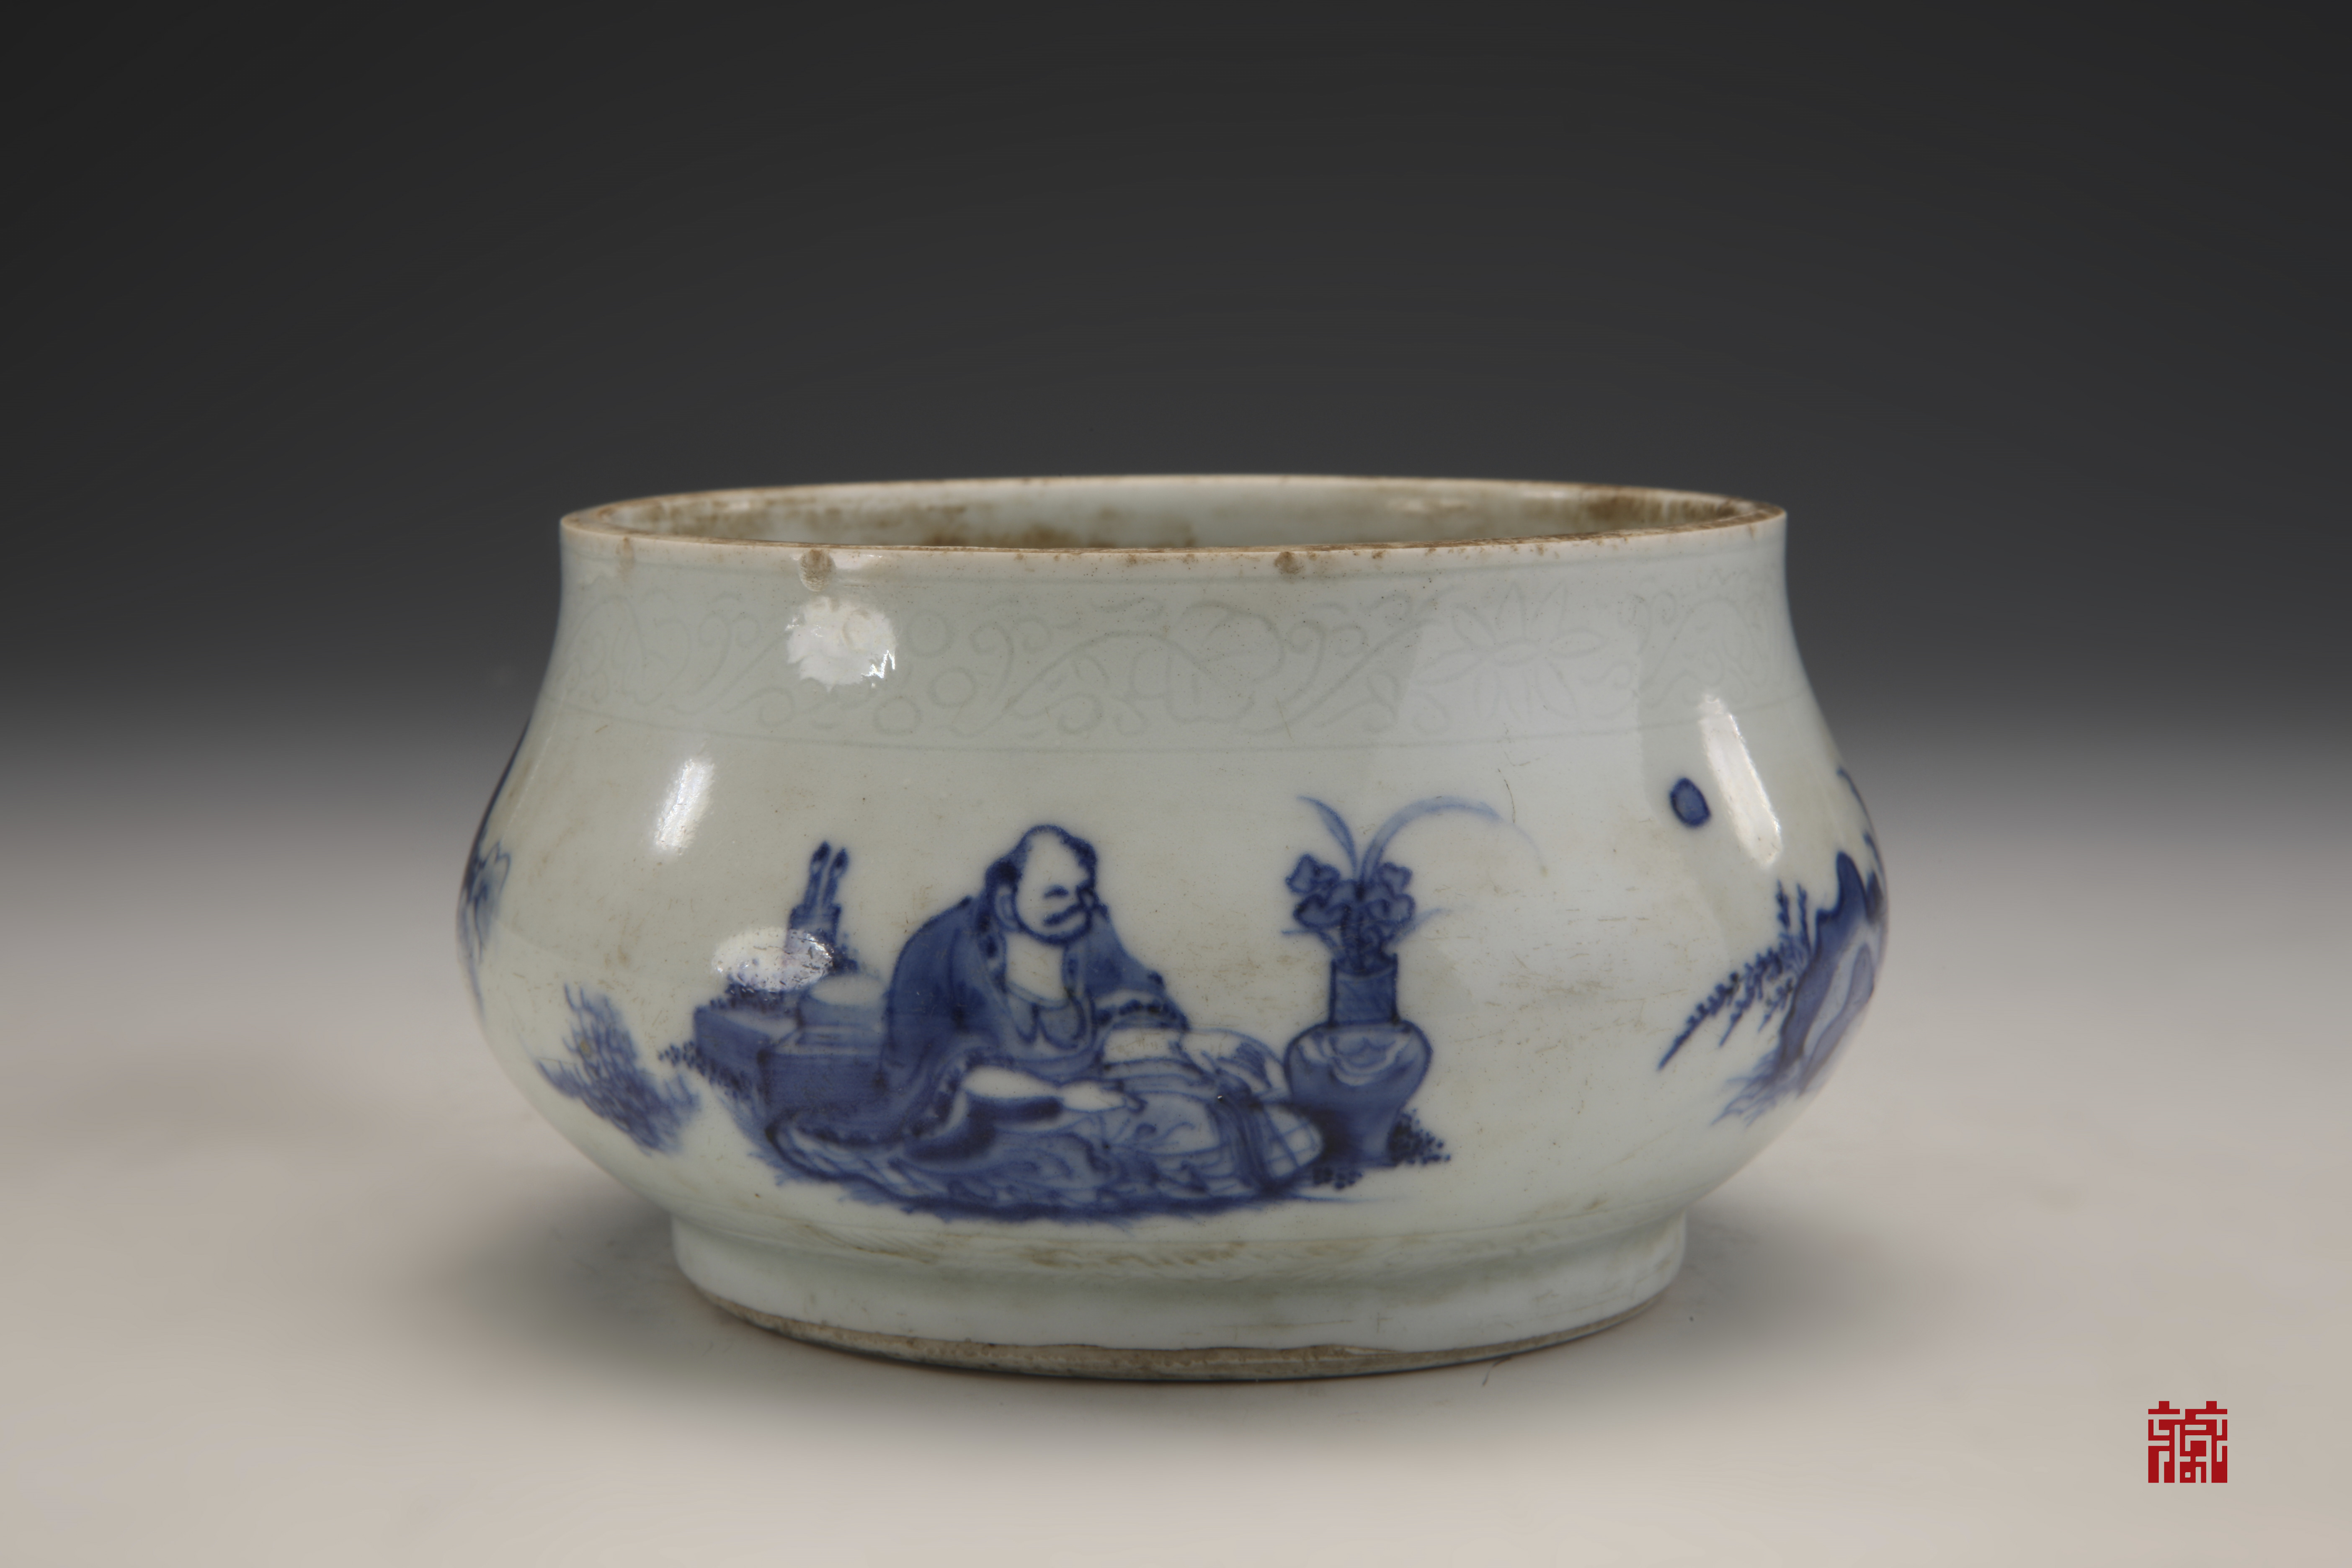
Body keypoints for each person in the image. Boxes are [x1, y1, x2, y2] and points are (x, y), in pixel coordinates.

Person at [774, 825, 1319, 1213]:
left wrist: (1190, 1046)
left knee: (1217, 1117)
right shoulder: (946, 950)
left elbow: (1117, 1031)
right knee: (1077, 1151)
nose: (1074, 905)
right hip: (988, 1117)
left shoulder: (1089, 933)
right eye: (1056, 893)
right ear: (1006, 899)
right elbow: (949, 1076)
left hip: (1095, 1097)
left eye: (1083, 891)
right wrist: (1059, 1099)